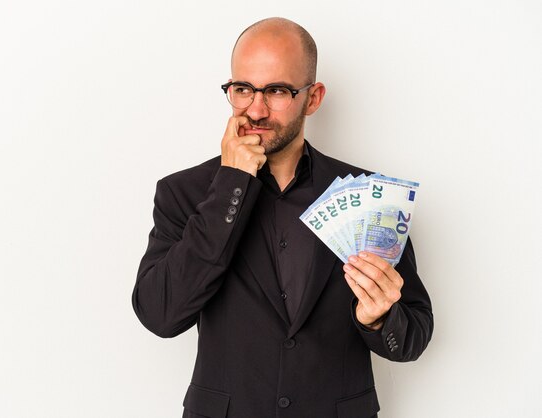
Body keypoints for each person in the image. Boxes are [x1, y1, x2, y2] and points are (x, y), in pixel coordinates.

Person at [132, 17, 433, 418]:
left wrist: (379, 320)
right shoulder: (183, 193)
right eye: (243, 89)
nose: (256, 109)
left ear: (313, 98)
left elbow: (413, 335)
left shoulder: (369, 197)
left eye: (276, 90)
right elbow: (160, 316)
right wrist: (230, 186)